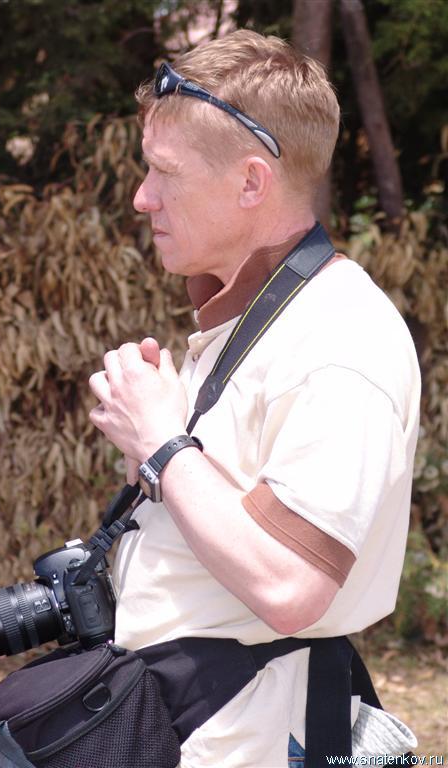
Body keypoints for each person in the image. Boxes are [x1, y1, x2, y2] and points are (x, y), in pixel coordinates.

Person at [88, 29, 420, 768]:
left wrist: (162, 446)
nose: (142, 197)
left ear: (250, 183)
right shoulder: (265, 318)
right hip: (199, 724)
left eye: (164, 172)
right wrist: (160, 448)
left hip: (253, 742)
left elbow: (291, 584)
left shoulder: (340, 339)